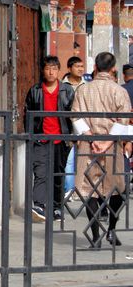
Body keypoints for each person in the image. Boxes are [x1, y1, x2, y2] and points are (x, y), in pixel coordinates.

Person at [72, 52, 131, 249]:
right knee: (117, 189)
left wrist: (92, 138)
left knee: (90, 191)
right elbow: (124, 119)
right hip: (112, 146)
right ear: (113, 68)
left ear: (95, 67)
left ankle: (96, 235)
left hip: (88, 145)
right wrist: (106, 143)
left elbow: (76, 117)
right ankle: (112, 230)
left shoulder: (83, 90)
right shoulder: (119, 91)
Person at [24, 56, 74, 222]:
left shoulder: (67, 90)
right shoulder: (35, 90)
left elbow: (73, 115)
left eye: (54, 68)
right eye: (47, 68)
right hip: (40, 139)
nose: (51, 72)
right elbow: (27, 115)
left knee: (58, 174)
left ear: (59, 70)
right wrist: (30, 136)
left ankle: (57, 207)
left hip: (61, 140)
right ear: (43, 71)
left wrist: (72, 138)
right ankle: (39, 206)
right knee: (40, 173)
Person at [61, 56, 86, 194]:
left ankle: (83, 190)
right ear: (69, 68)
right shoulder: (62, 86)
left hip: (84, 127)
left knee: (84, 159)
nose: (80, 69)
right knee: (69, 160)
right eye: (77, 66)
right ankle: (69, 190)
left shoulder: (87, 86)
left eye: (82, 66)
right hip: (67, 127)